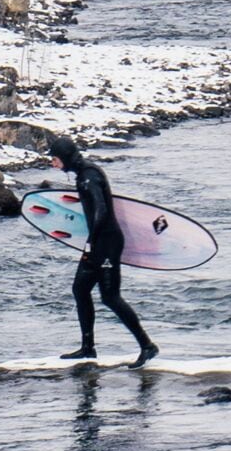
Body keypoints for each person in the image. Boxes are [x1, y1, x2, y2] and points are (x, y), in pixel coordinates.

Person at [45, 131, 158, 365]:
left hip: (106, 244)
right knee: (80, 289)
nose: (53, 164)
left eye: (55, 159)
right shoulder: (83, 174)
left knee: (110, 297)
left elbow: (101, 212)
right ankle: (88, 348)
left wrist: (90, 243)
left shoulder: (89, 176)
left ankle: (147, 346)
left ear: (65, 157)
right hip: (98, 243)